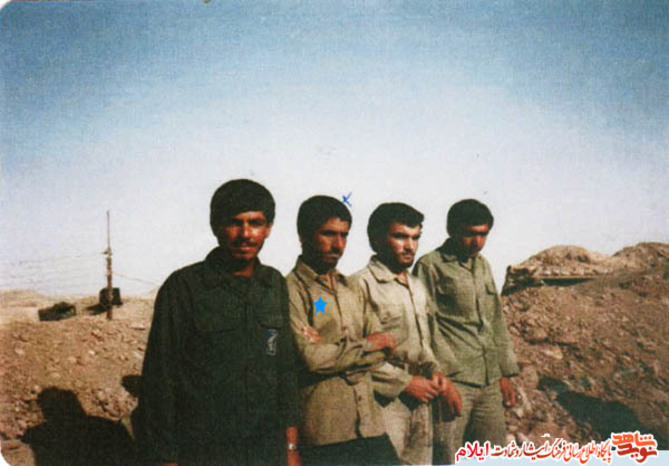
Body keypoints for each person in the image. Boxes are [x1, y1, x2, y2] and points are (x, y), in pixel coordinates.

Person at [135, 179, 300, 466]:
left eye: (255, 223)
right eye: (234, 223)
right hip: (204, 451)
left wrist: (291, 447)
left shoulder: (273, 284)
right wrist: (165, 458)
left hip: (265, 450)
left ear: (269, 228)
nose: (245, 234)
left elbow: (284, 370)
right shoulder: (184, 287)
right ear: (215, 226)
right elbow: (159, 379)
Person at [285, 195, 399, 466]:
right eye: (328, 234)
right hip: (326, 433)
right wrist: (367, 345)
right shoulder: (290, 289)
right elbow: (311, 359)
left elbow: (386, 348)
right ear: (303, 235)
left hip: (370, 426)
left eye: (344, 235)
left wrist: (334, 353)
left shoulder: (353, 287)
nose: (337, 245)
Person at [353, 203, 462, 465]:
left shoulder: (416, 286)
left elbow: (425, 343)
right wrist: (404, 383)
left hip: (422, 399)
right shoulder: (359, 285)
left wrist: (436, 372)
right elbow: (354, 354)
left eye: (415, 238)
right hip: (384, 402)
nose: (410, 246)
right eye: (400, 237)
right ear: (377, 240)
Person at [414, 199, 520, 465]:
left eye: (483, 234)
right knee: (447, 457)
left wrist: (504, 374)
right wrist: (443, 379)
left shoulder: (482, 265)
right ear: (452, 230)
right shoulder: (430, 265)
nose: (477, 242)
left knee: (493, 458)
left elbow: (495, 320)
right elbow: (425, 326)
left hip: (488, 382)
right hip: (454, 381)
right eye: (470, 234)